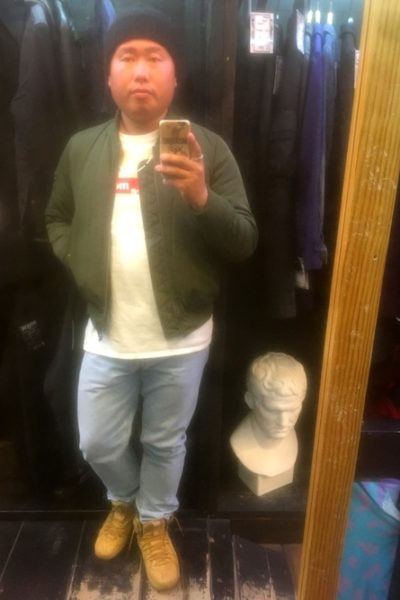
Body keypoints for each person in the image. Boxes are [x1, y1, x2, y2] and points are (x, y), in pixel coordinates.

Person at [45, 7, 257, 592]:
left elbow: (244, 240)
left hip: (182, 335)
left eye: (155, 57)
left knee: (165, 440)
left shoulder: (207, 148)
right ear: (108, 75)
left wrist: (201, 196)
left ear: (174, 75)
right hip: (107, 333)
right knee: (97, 440)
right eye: (127, 56)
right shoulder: (81, 149)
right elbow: (57, 218)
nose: (141, 70)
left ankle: (155, 520)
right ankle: (125, 500)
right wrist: (81, 261)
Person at [230, 353, 307, 479]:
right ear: (250, 401)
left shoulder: (286, 428)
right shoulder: (239, 441)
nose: (283, 422)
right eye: (272, 410)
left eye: (292, 409)